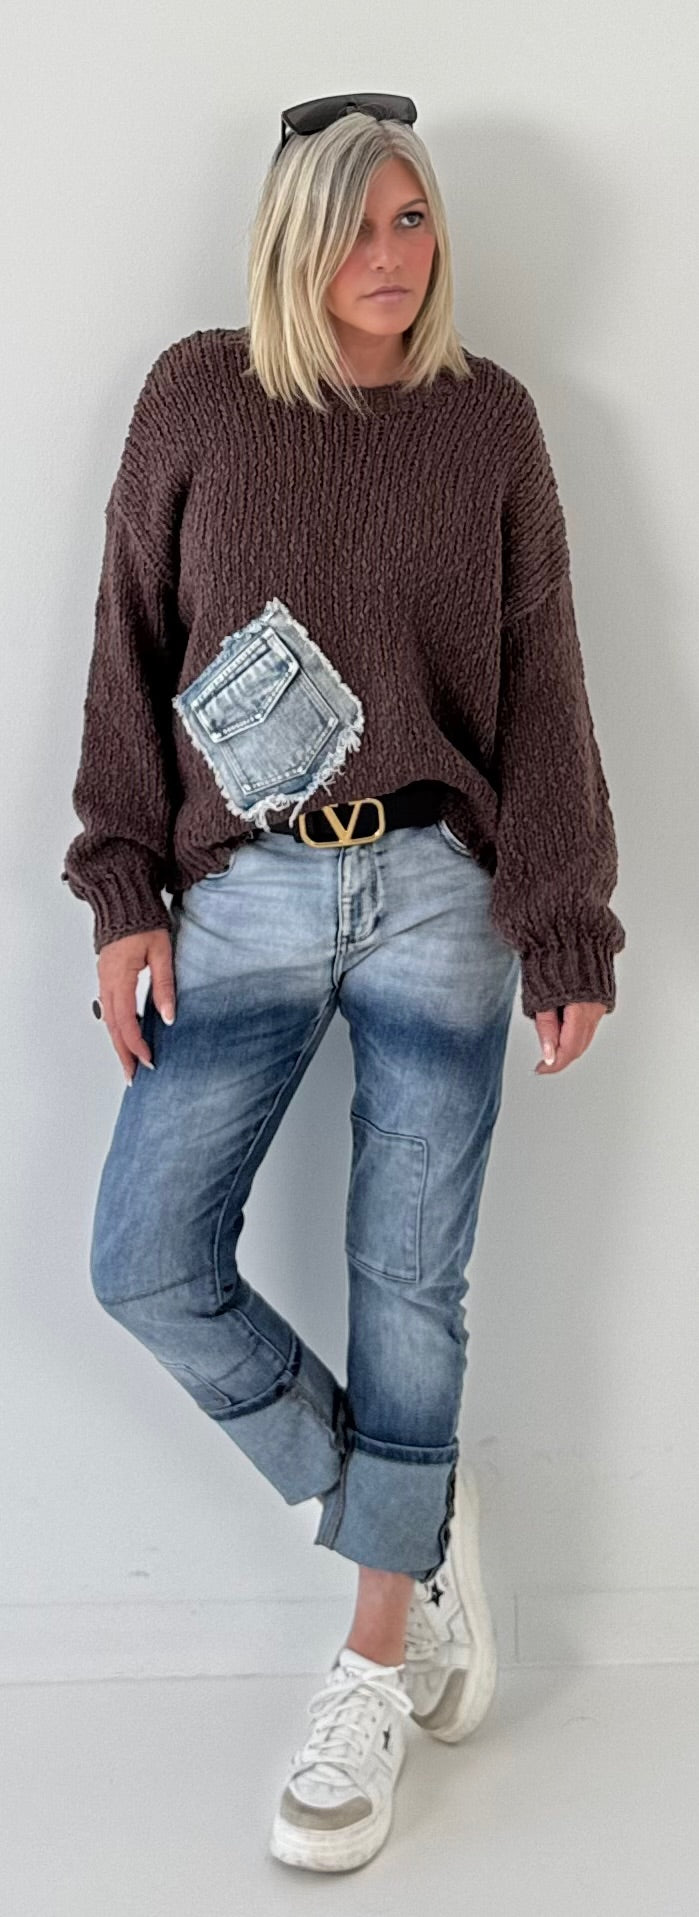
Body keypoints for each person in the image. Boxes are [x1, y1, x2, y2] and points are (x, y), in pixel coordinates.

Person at [61, 93, 626, 1874]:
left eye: (413, 218)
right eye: (356, 223)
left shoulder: (489, 420)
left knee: (409, 1278)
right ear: (291, 238)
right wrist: (122, 884)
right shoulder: (197, 396)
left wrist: (564, 914)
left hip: (440, 889)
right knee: (143, 1257)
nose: (392, 254)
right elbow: (129, 642)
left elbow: (542, 674)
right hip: (243, 892)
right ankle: (413, 1510)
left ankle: (375, 1660)